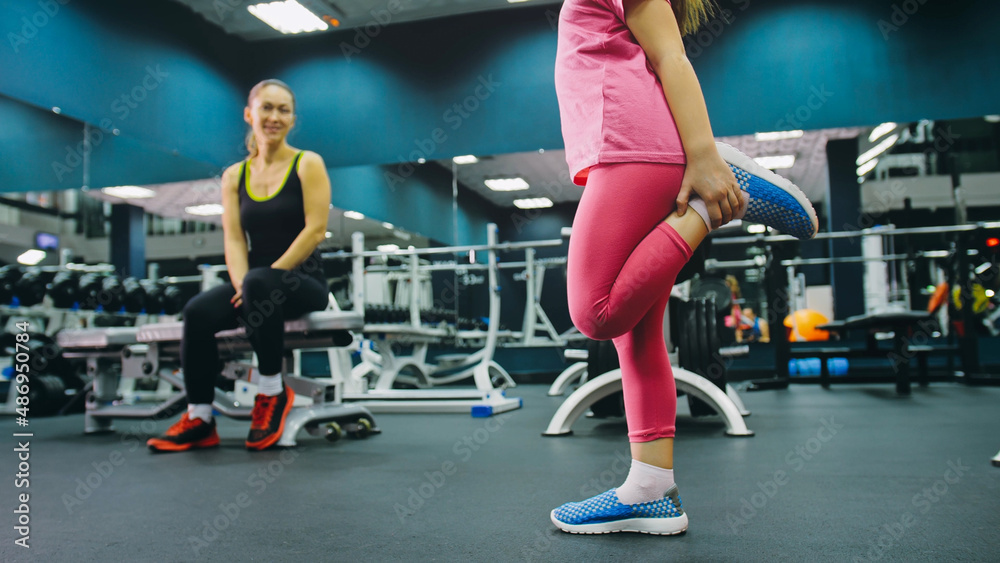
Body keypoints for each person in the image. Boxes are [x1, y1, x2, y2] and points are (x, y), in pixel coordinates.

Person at [551, 0, 818, 534]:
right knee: (636, 336)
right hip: (633, 148)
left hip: (632, 149)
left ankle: (710, 206)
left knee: (596, 315)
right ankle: (652, 491)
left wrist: (704, 158)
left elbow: (672, 55)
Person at [147, 79, 332, 452]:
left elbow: (315, 230)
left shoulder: (307, 163)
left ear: (293, 119)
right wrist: (240, 284)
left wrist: (258, 283)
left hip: (302, 280)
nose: (274, 117)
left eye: (283, 110)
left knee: (261, 284)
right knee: (197, 311)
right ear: (250, 114)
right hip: (254, 282)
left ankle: (271, 393)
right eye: (267, 108)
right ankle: (199, 416)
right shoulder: (235, 175)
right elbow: (233, 238)